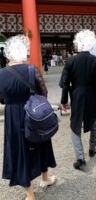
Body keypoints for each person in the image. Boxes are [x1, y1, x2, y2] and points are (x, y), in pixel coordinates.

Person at [0, 34, 56, 200]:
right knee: (41, 142)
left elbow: (1, 98)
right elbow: (44, 93)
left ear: (8, 54)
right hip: (34, 114)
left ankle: (30, 194)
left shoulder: (1, 74)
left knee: (19, 150)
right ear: (24, 52)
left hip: (13, 116)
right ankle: (45, 178)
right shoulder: (32, 70)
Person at [60, 30, 96, 170]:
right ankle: (92, 149)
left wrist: (64, 100)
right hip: (92, 94)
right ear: (91, 44)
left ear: (78, 44)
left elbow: (65, 84)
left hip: (76, 95)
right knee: (93, 122)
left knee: (75, 125)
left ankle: (80, 158)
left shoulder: (70, 61)